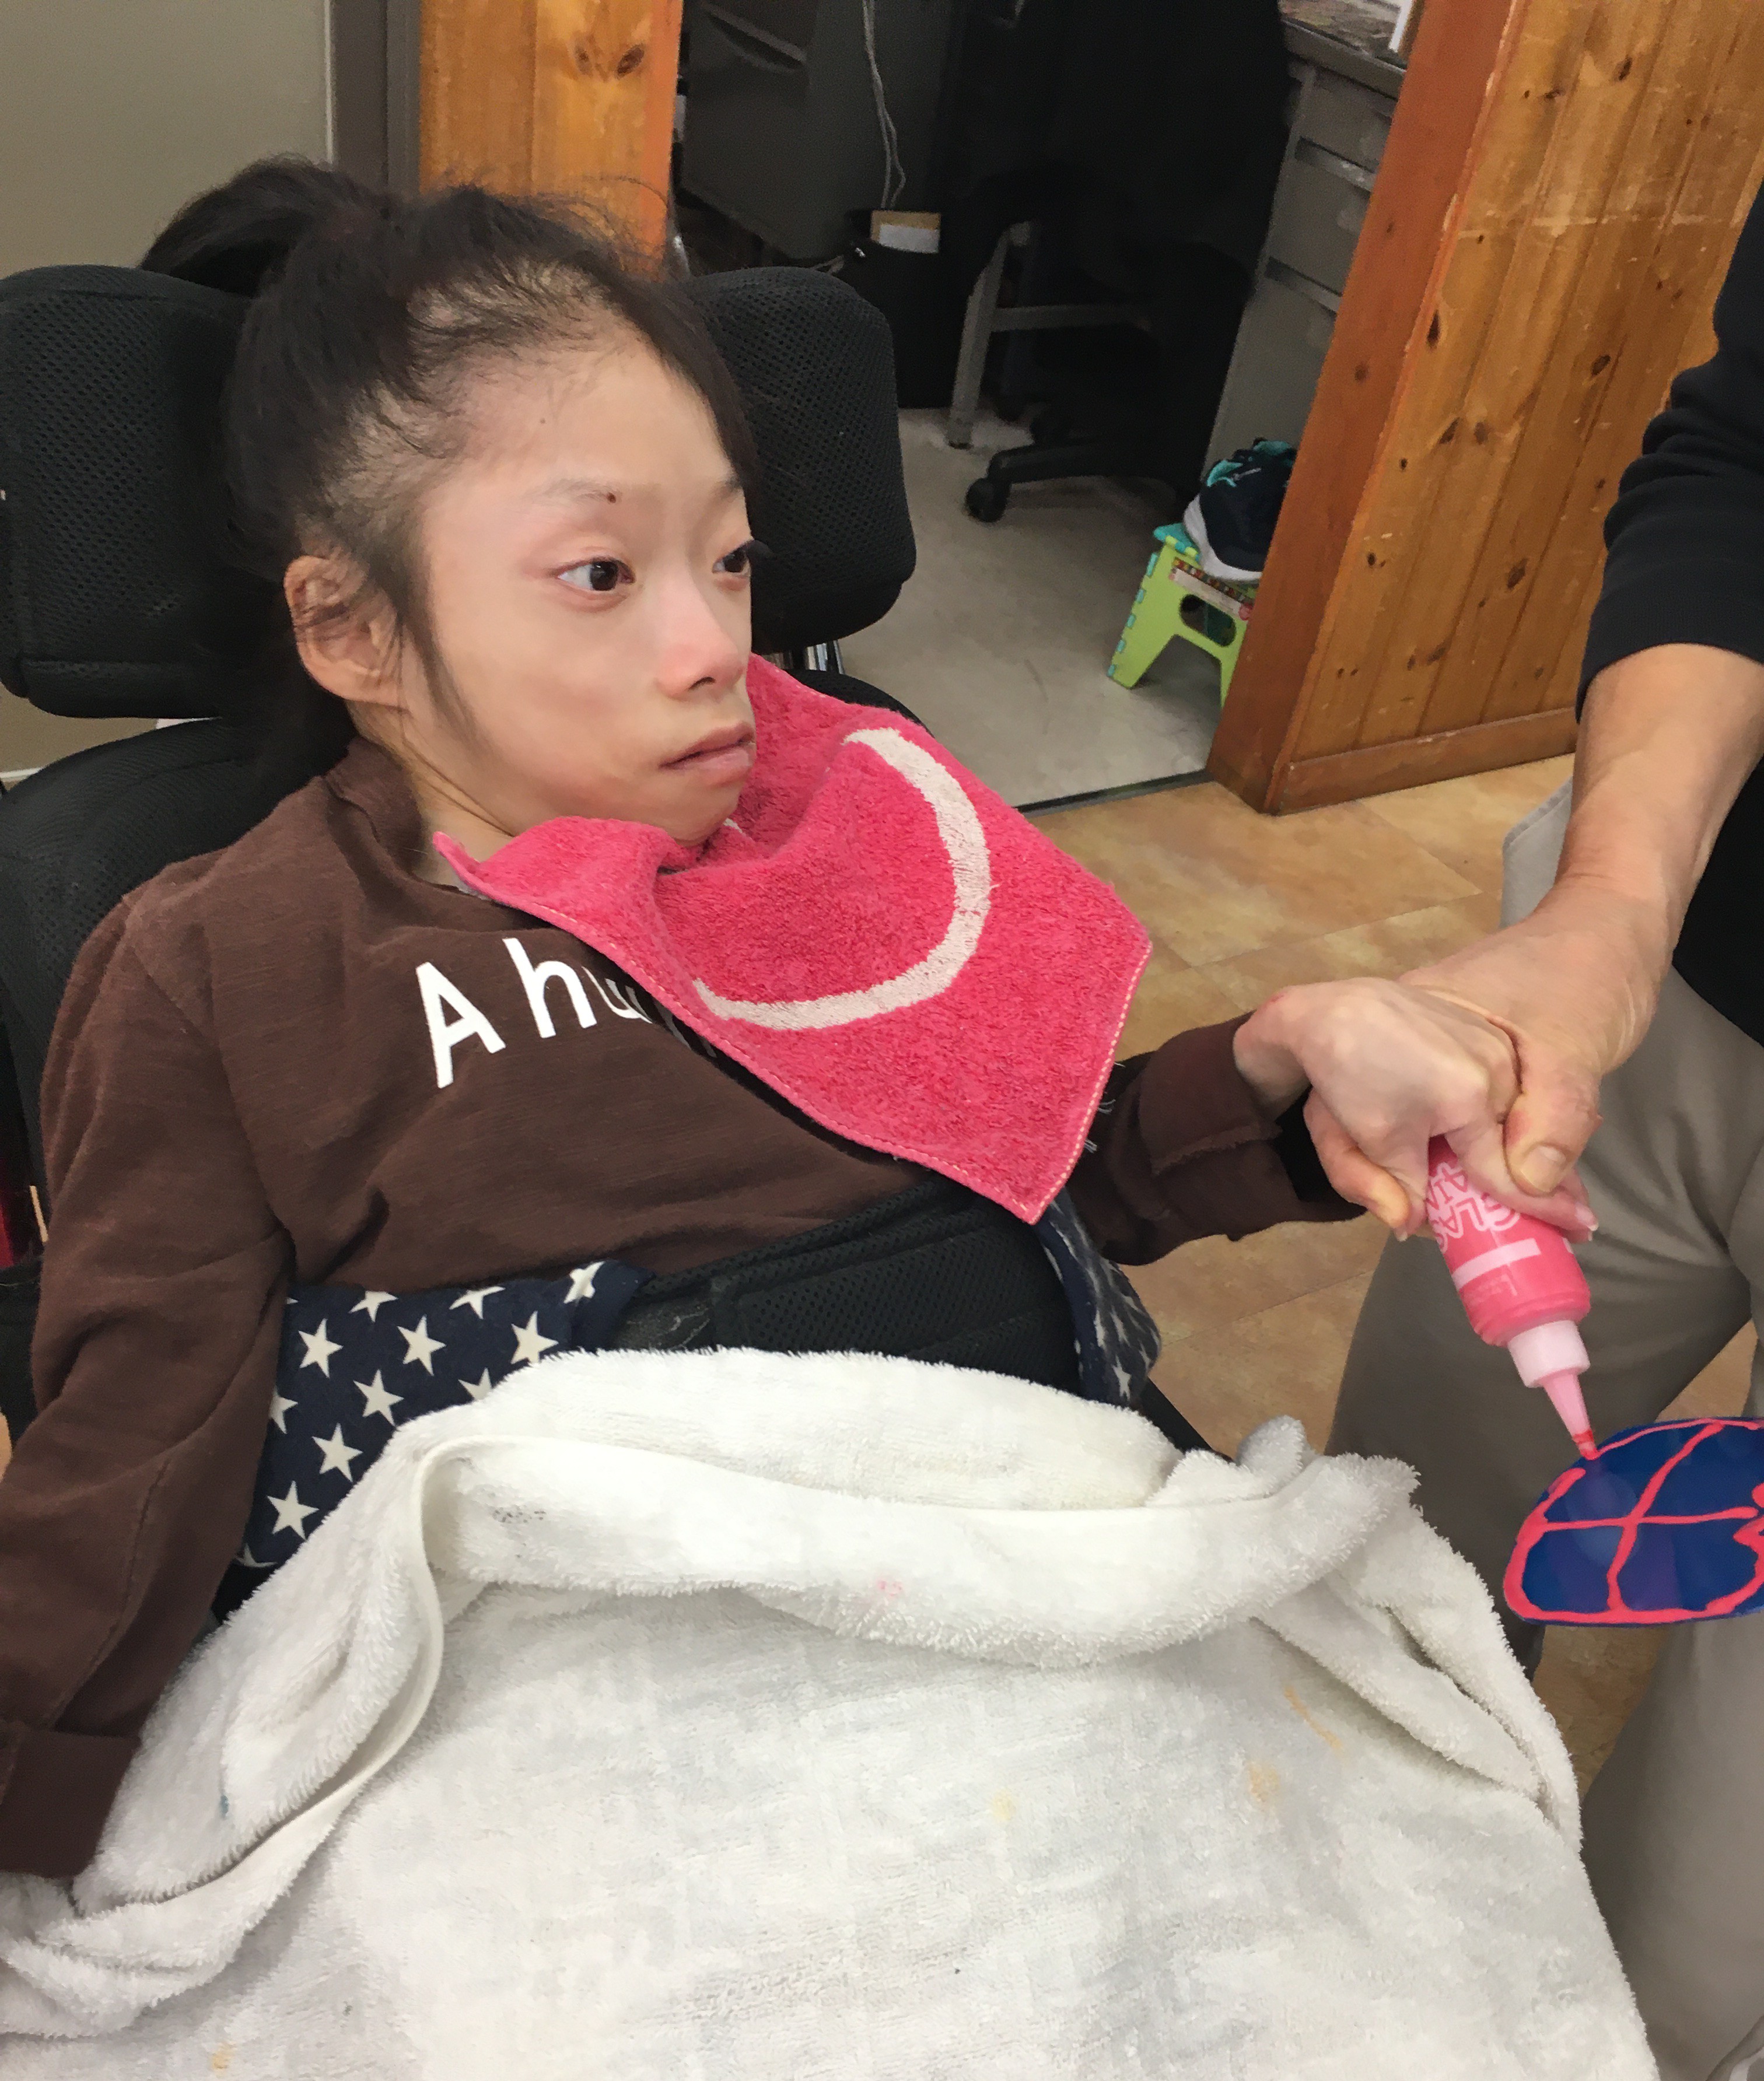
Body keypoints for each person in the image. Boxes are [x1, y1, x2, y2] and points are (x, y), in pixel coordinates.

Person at [0, 160, 1528, 1883]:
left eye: (727, 558)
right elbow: (133, 1456)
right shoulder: (237, 964)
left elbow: (1035, 1171)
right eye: (599, 572)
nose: (711, 645)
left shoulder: (845, 821)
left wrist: (1272, 1071)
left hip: (1024, 1598)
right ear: (354, 627)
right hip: (596, 1740)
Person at [1329, 183, 1764, 2081]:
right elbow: (1742, 463)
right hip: (1675, 984)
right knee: (1385, 1574)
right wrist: (1609, 905)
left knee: (1700, 1934)